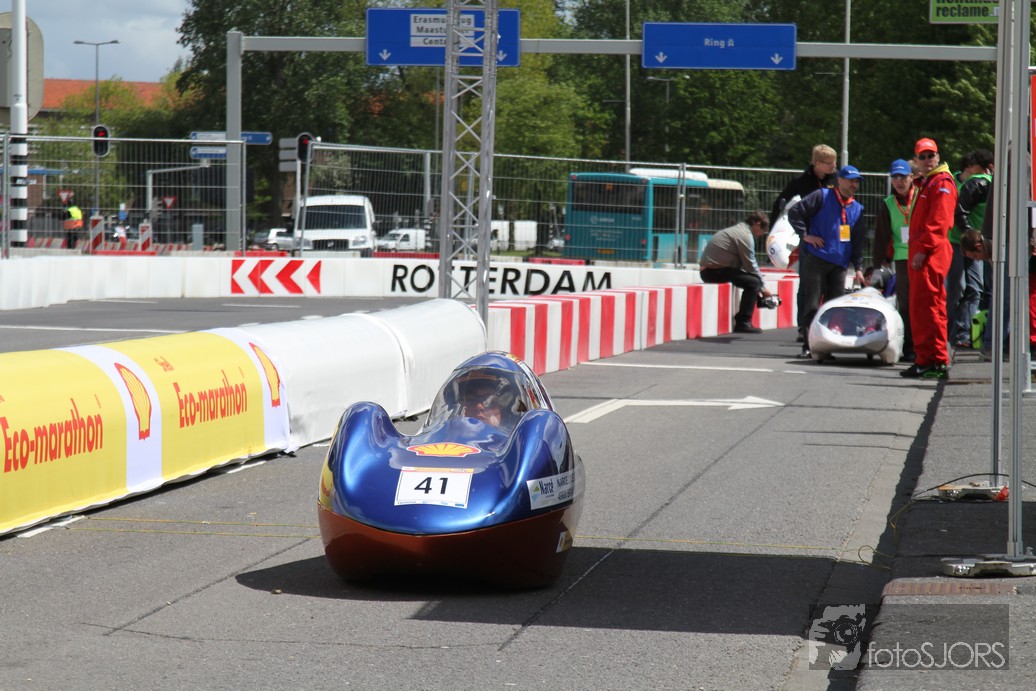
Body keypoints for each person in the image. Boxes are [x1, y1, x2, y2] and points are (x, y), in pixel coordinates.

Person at [788, 165, 867, 357]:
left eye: (856, 182)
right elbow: (795, 212)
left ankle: (828, 345)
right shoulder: (822, 196)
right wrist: (805, 235)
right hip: (817, 259)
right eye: (850, 180)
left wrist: (858, 267)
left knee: (834, 308)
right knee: (812, 304)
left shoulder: (857, 208)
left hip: (840, 264)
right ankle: (809, 346)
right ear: (839, 180)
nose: (854, 185)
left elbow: (858, 240)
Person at [900, 137, 957, 379]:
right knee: (923, 307)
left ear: (937, 156)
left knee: (929, 306)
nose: (926, 160)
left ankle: (935, 360)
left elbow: (939, 222)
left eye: (930, 155)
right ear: (916, 159)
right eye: (922, 156)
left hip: (931, 253)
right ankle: (928, 359)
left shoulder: (941, 182)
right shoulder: (929, 182)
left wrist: (923, 250)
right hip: (925, 251)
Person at [698, 210, 773, 334]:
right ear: (757, 224)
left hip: (714, 270)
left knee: (753, 280)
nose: (761, 235)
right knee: (753, 283)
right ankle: (743, 322)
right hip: (713, 271)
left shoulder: (739, 230)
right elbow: (751, 264)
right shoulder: (745, 235)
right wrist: (763, 288)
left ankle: (744, 319)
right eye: (763, 230)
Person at [871, 158, 917, 361]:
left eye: (903, 177)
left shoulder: (920, 197)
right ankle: (909, 347)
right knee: (905, 305)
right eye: (895, 177)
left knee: (922, 303)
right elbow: (882, 236)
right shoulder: (888, 204)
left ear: (911, 177)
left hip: (923, 256)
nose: (899, 181)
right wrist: (878, 264)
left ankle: (927, 346)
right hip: (902, 259)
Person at [950, 149, 993, 348]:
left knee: (975, 288)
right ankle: (951, 331)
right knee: (957, 288)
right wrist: (969, 235)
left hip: (975, 245)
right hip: (961, 242)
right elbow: (960, 212)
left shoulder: (986, 183)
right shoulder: (977, 183)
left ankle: (962, 334)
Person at [769, 144, 838, 227]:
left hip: (832, 226)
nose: (834, 165)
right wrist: (772, 228)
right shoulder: (801, 180)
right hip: (810, 227)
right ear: (818, 163)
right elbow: (780, 202)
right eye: (830, 163)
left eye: (835, 162)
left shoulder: (838, 179)